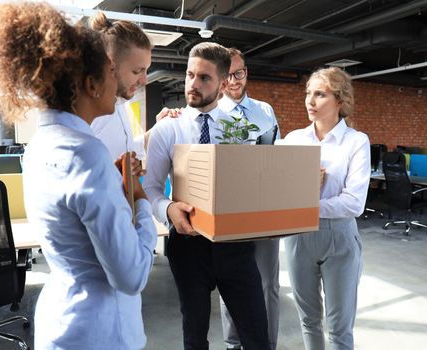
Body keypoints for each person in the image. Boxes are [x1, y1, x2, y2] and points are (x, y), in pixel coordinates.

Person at [0, 3, 157, 349]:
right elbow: (132, 275)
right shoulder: (86, 154)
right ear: (92, 84)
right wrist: (139, 198)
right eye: (110, 70)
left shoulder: (40, 146)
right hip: (101, 332)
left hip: (62, 320)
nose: (116, 80)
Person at [143, 42, 270, 350]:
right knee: (195, 334)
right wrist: (168, 208)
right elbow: (150, 186)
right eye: (190, 75)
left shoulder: (241, 129)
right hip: (188, 245)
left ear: (224, 83)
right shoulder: (167, 129)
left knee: (256, 334)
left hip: (235, 244)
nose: (193, 85)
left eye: (204, 78)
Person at [275, 67, 370, 350]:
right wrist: (301, 197)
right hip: (297, 238)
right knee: (308, 320)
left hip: (338, 238)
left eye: (320, 94)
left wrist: (305, 201)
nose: (310, 101)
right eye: (308, 93)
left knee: (340, 327)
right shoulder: (292, 140)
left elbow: (354, 203)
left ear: (340, 101)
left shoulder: (356, 142)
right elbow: (277, 196)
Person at [217, 47, 281, 350]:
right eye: (227, 74)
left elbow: (277, 155)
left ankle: (266, 343)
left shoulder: (265, 111)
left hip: (264, 207)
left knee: (268, 284)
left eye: (238, 72)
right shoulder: (212, 113)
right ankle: (233, 344)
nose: (233, 80)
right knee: (231, 281)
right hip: (230, 209)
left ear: (246, 72)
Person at [89, 13, 153, 162]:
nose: (144, 80)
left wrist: (161, 129)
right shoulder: (90, 113)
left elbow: (129, 150)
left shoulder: (121, 105)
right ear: (110, 64)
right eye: (137, 71)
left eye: (146, 70)